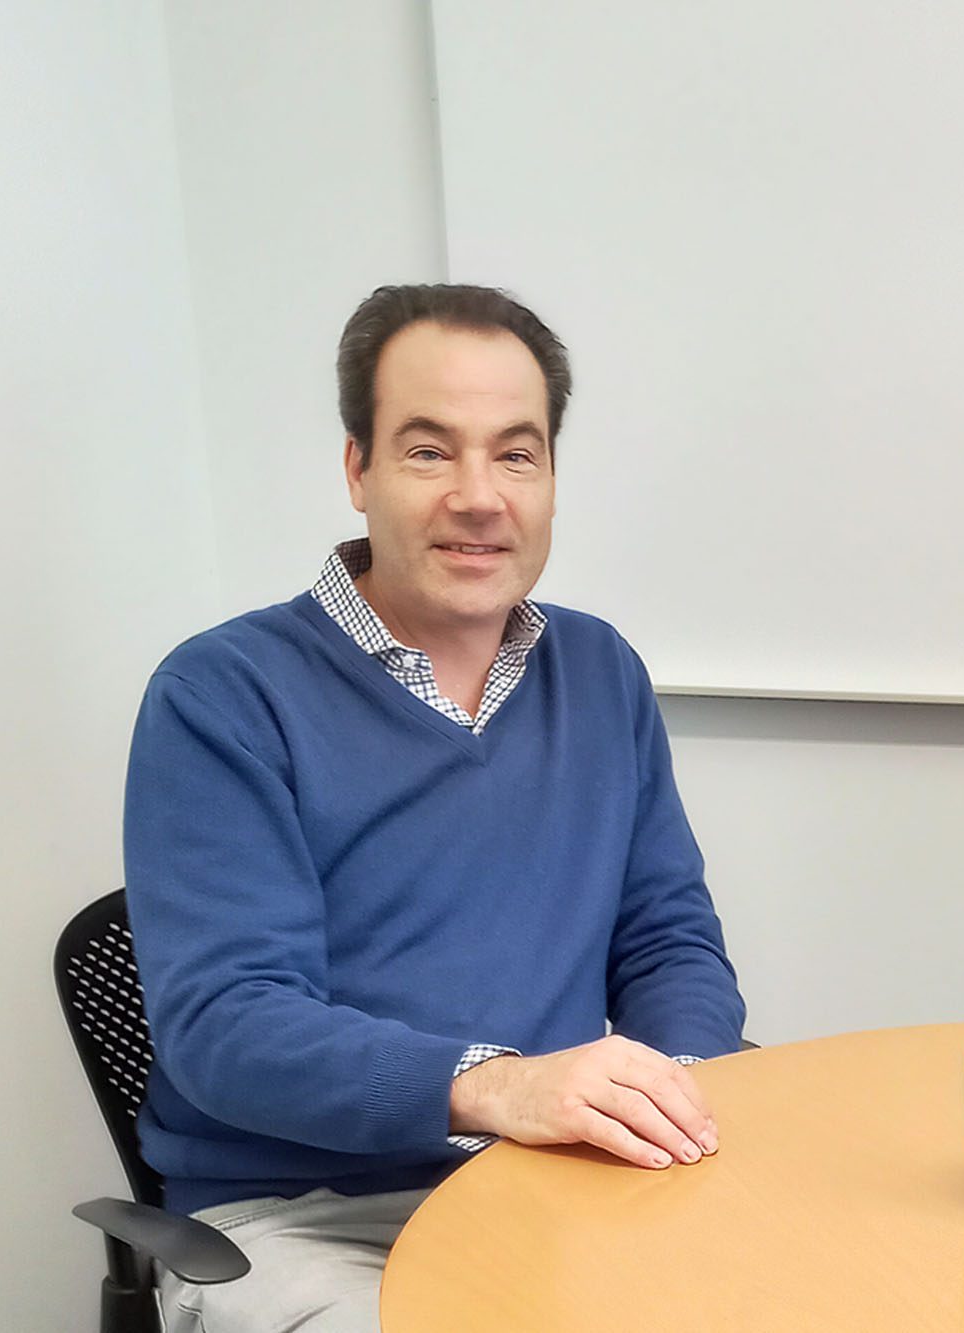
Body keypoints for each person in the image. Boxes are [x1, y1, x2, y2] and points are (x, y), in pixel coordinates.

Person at [124, 284, 747, 1332]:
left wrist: (671, 1089)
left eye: (515, 453)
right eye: (428, 451)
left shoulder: (597, 669)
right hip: (302, 1217)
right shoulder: (221, 693)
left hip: (550, 1180)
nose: (478, 495)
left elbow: (666, 939)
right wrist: (495, 1086)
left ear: (550, 476)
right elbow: (227, 1024)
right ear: (357, 468)